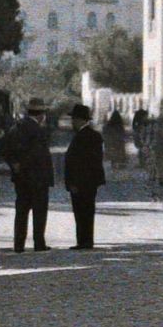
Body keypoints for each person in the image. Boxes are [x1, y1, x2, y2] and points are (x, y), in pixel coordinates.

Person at [0, 98, 55, 251]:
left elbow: (4, 150)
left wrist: (15, 165)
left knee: (22, 211)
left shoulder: (15, 128)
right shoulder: (38, 131)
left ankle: (19, 244)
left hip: (21, 178)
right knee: (39, 211)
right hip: (38, 177)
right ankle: (39, 243)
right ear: (41, 114)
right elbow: (37, 154)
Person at [64, 104, 107, 249]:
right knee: (86, 211)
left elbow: (85, 162)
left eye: (74, 119)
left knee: (82, 211)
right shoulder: (92, 135)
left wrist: (75, 182)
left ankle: (84, 241)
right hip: (88, 182)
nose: (72, 122)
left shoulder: (86, 136)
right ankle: (84, 240)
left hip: (82, 182)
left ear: (81, 120)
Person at [102, 107, 129, 178]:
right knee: (118, 156)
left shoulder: (108, 125)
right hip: (118, 143)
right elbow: (123, 134)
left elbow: (105, 133)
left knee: (113, 156)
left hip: (111, 144)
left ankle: (113, 167)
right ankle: (118, 169)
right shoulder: (119, 125)